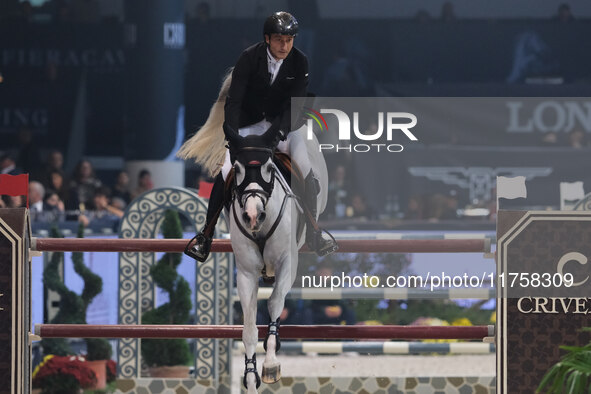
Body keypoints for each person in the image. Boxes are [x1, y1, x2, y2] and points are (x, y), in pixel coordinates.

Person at [187, 11, 337, 262]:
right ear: (267, 39)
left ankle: (314, 231)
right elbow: (234, 101)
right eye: (279, 39)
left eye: (289, 40)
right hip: (251, 125)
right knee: (225, 171)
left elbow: (295, 105)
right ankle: (206, 235)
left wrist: (276, 133)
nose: (285, 45)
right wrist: (232, 133)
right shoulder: (249, 58)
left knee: (304, 166)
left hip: (286, 126)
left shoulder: (300, 62)